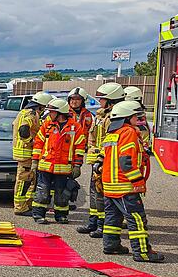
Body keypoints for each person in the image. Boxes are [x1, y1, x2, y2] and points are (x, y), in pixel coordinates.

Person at [100, 101, 164, 262]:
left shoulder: (113, 133)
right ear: (127, 118)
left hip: (110, 185)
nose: (139, 118)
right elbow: (126, 161)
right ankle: (142, 252)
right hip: (124, 185)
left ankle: (111, 245)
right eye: (136, 116)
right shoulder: (128, 132)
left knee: (112, 218)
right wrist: (138, 182)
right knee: (136, 219)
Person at [77, 82, 126, 236]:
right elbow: (92, 136)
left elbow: (111, 142)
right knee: (94, 193)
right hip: (97, 161)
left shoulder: (114, 118)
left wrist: (101, 158)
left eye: (102, 99)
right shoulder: (100, 115)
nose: (100, 101)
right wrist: (93, 153)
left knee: (102, 195)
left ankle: (102, 225)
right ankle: (93, 222)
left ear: (111, 100)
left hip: (106, 162)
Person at [31, 98, 86, 224]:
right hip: (46, 166)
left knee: (62, 194)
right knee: (42, 192)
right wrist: (35, 161)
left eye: (52, 112)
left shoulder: (75, 127)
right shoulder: (47, 124)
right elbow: (39, 143)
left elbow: (80, 147)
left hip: (64, 168)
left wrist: (77, 165)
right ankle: (39, 214)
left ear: (60, 113)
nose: (49, 114)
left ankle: (61, 215)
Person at [12, 91, 54, 216]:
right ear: (40, 106)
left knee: (30, 180)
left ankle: (27, 205)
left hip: (27, 154)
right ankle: (20, 207)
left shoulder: (26, 113)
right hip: (25, 153)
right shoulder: (30, 114)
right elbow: (23, 130)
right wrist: (32, 142)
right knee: (23, 181)